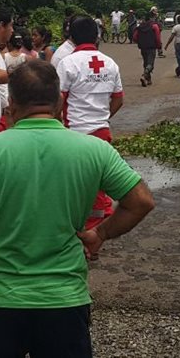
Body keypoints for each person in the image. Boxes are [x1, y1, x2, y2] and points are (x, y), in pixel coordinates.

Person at [0, 61, 155, 358]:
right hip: (64, 301)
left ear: (11, 104)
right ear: (60, 103)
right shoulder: (94, 149)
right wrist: (100, 233)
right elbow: (141, 201)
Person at [56, 17, 123, 232]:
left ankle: (86, 230)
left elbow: (59, 99)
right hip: (102, 132)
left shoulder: (68, 63)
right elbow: (118, 99)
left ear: (72, 38)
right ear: (97, 36)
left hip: (75, 134)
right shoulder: (110, 63)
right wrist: (103, 117)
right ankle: (99, 224)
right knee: (98, 182)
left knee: (75, 183)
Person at [132, 15, 162, 87]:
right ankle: (144, 75)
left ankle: (148, 80)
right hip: (151, 47)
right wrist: (159, 46)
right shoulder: (154, 26)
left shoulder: (140, 27)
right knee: (150, 64)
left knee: (145, 63)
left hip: (143, 47)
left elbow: (134, 37)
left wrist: (140, 42)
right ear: (150, 19)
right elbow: (157, 37)